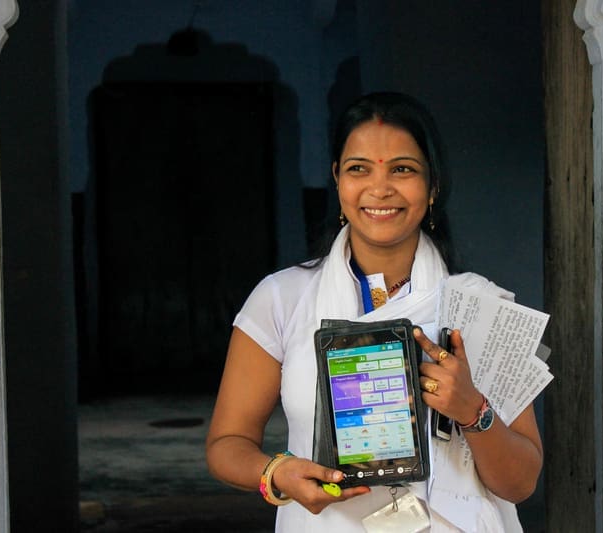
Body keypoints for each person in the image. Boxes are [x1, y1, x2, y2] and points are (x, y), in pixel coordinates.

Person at [206, 92, 543, 531]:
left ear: (433, 185)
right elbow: (227, 445)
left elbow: (521, 483)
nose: (379, 188)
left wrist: (471, 410)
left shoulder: (481, 307)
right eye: (358, 169)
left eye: (402, 169)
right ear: (337, 180)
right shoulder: (283, 299)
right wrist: (276, 473)